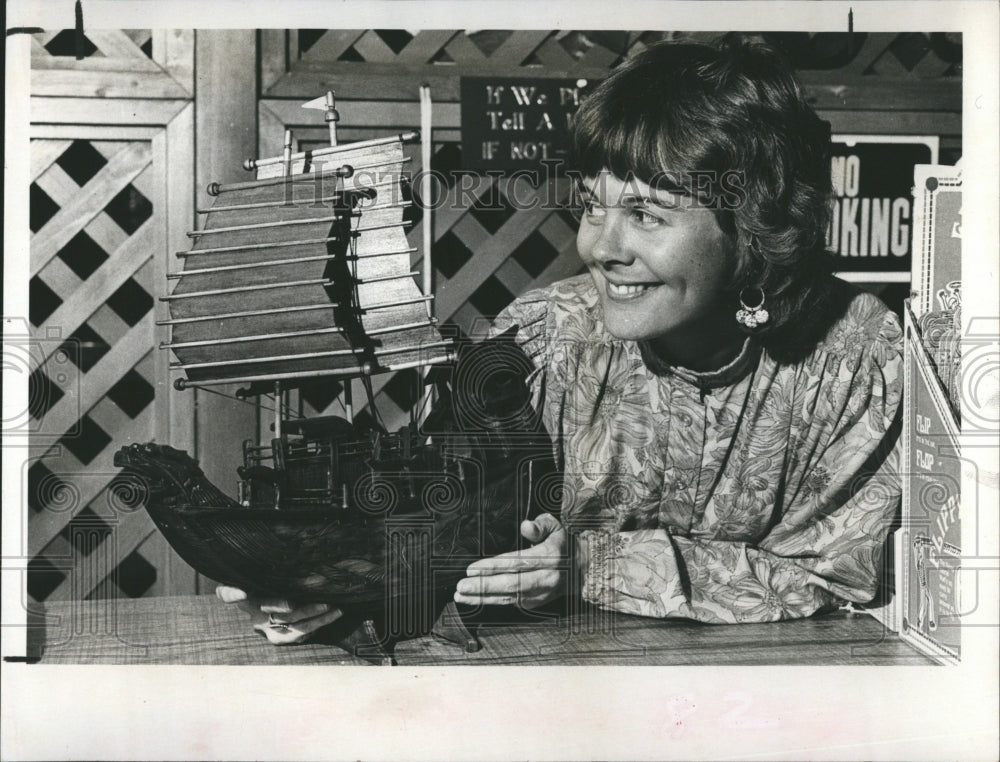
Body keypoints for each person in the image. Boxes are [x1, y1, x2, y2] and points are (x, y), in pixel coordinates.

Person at [222, 34, 903, 639]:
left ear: (754, 224)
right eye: (590, 205)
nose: (599, 247)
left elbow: (832, 581)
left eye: (645, 213)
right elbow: (429, 527)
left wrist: (589, 566)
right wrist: (325, 586)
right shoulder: (540, 340)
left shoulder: (854, 359)